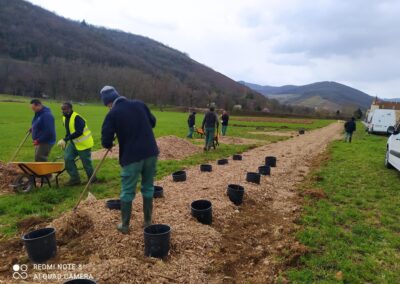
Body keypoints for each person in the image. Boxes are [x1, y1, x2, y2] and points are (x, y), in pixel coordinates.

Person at [100, 86, 159, 234]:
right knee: (148, 187)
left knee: (127, 190)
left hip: (132, 157)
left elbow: (106, 139)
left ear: (108, 103)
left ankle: (125, 225)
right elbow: (152, 122)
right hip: (151, 152)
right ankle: (147, 222)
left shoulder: (113, 113)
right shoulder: (139, 104)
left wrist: (109, 142)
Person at [57, 102, 95, 186]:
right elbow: (69, 131)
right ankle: (75, 179)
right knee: (67, 158)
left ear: (70, 109)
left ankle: (92, 179)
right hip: (74, 143)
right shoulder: (64, 118)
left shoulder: (77, 118)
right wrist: (65, 141)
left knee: (86, 163)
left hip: (84, 144)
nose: (63, 111)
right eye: (62, 109)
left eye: (65, 109)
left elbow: (79, 132)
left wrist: (65, 139)